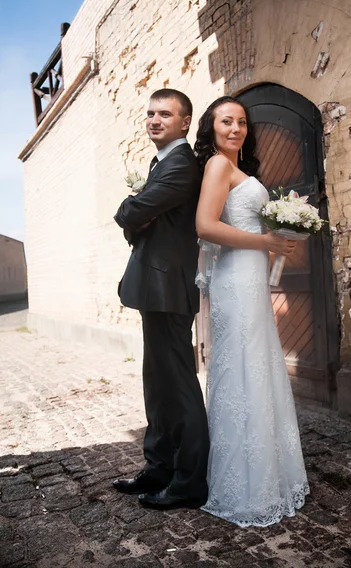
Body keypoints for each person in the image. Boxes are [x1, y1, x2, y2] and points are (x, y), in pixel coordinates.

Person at [194, 95, 309, 527]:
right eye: (226, 121)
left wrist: (280, 230)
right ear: (212, 127)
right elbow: (206, 226)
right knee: (243, 368)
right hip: (235, 279)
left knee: (257, 367)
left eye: (242, 121)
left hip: (249, 277)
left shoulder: (240, 169)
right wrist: (266, 242)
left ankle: (267, 474)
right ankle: (242, 485)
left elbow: (241, 222)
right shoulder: (217, 166)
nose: (235, 129)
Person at [113, 89, 209, 510]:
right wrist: (138, 215)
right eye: (150, 113)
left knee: (179, 386)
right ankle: (159, 466)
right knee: (157, 382)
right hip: (156, 286)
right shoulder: (162, 163)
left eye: (165, 114)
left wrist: (133, 211)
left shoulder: (181, 164)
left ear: (185, 122)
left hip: (169, 287)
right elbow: (140, 219)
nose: (154, 119)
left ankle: (189, 482)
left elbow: (131, 214)